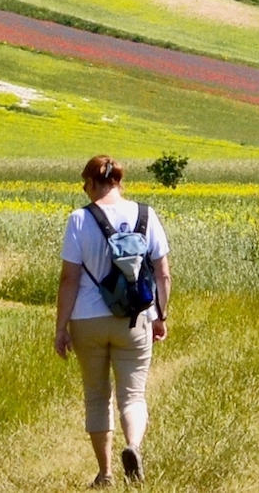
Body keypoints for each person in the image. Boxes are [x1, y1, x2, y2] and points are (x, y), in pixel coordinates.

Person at [56, 154, 171, 485]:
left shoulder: (79, 219)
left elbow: (69, 280)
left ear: (92, 183)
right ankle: (133, 445)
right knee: (133, 395)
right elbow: (163, 273)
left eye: (84, 183)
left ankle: (105, 473)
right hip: (135, 318)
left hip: (87, 319)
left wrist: (60, 328)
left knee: (96, 395)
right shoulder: (146, 215)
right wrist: (160, 316)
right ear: (118, 182)